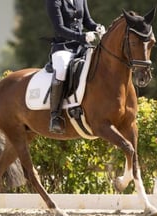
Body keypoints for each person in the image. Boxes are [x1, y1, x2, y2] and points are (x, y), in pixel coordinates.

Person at [46, 0, 105, 134]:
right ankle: (55, 116)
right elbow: (59, 28)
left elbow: (87, 21)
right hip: (63, 47)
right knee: (61, 69)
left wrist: (96, 27)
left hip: (81, 46)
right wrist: (82, 36)